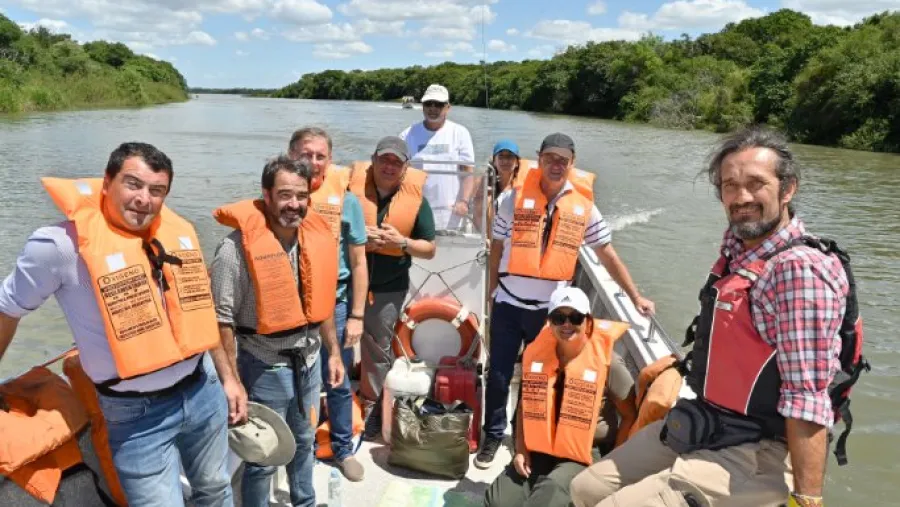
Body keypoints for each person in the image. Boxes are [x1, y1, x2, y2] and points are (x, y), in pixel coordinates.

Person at [570, 126, 864, 507]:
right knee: (584, 489)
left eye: (756, 183)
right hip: (709, 419)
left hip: (759, 447)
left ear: (788, 189)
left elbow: (807, 401)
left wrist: (807, 500)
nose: (741, 197)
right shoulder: (738, 253)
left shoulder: (797, 271)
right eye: (729, 185)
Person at [0, 142, 235, 506]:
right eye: (133, 184)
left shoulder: (175, 234)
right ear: (106, 183)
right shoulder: (58, 247)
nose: (144, 198)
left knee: (216, 489)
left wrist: (229, 379)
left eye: (157, 190)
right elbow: (8, 309)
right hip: (137, 413)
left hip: (203, 389)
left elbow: (199, 311)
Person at [476, 132, 655, 469]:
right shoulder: (511, 199)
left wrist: (634, 296)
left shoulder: (584, 207)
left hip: (552, 315)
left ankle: (526, 440)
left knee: (540, 378)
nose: (556, 165)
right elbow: (497, 246)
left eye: (563, 160)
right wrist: (491, 290)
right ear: (538, 158)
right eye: (550, 158)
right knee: (499, 375)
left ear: (572, 164)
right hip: (509, 303)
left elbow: (606, 253)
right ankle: (492, 434)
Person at [210, 155, 345, 507]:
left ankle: (305, 501)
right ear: (266, 196)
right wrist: (233, 380)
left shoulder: (314, 239)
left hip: (311, 358)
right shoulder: (234, 249)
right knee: (262, 456)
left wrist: (334, 352)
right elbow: (220, 318)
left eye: (301, 196)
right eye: (285, 195)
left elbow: (321, 303)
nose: (295, 205)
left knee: (304, 441)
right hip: (263, 362)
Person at [483, 287, 636, 507]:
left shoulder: (609, 362)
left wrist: (612, 464)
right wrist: (521, 449)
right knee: (498, 501)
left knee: (546, 498)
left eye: (575, 317)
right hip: (540, 446)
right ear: (549, 322)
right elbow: (525, 407)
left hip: (583, 453)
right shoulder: (536, 355)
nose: (566, 324)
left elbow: (630, 415)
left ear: (588, 321)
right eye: (558, 317)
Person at [287, 127, 368, 482]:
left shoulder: (347, 202)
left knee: (336, 380)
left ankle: (341, 449)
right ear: (291, 156)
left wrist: (356, 315)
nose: (314, 162)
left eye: (321, 156)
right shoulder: (278, 197)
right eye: (306, 154)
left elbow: (359, 262)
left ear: (330, 160)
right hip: (287, 308)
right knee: (291, 384)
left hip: (333, 306)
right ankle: (294, 450)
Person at [346, 136, 436, 439]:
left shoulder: (417, 202)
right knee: (335, 340)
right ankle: (338, 397)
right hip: (345, 280)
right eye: (384, 159)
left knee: (376, 346)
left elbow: (429, 248)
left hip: (386, 286)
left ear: (405, 167)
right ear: (372, 159)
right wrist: (358, 236)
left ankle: (372, 404)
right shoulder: (348, 192)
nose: (389, 166)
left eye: (396, 162)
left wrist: (402, 242)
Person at [399, 83, 475, 230]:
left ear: (448, 107)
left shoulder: (460, 133)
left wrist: (464, 202)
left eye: (438, 104)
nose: (432, 108)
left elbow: (467, 172)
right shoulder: (407, 134)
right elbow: (399, 173)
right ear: (422, 106)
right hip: (416, 210)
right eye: (428, 103)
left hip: (451, 212)